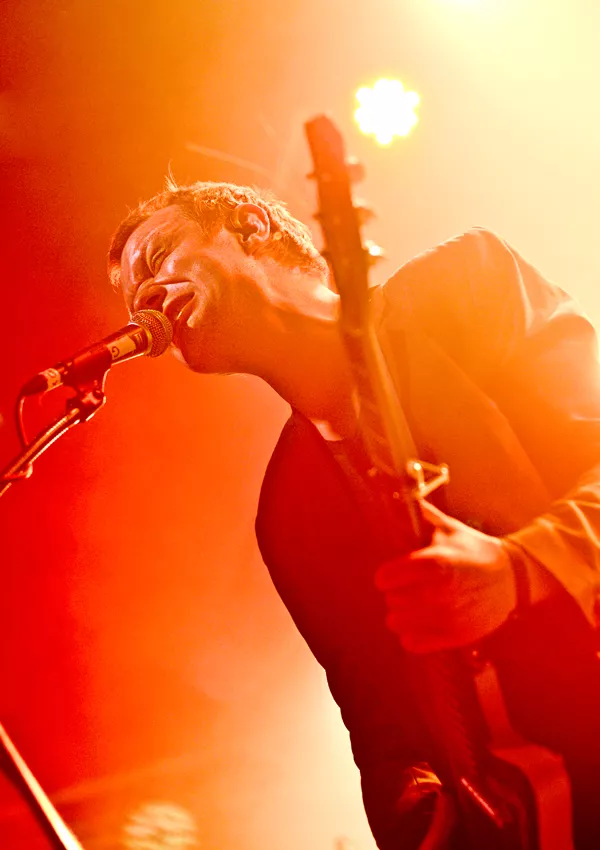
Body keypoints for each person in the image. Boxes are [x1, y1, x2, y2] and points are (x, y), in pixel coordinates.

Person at [108, 180, 600, 849]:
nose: (144, 296)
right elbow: (384, 735)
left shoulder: (467, 285)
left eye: (160, 254)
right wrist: (418, 816)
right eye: (131, 295)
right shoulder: (288, 514)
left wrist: (520, 569)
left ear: (251, 224)